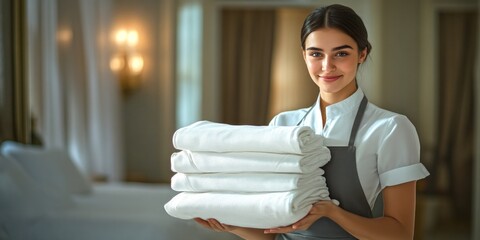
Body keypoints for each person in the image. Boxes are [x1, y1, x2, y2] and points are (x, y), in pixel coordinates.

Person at [194, 4, 429, 239]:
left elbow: (401, 233)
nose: (327, 66)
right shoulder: (284, 124)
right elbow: (271, 233)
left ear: (362, 54)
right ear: (304, 55)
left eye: (341, 53)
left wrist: (332, 212)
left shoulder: (390, 128)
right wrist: (230, 225)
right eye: (316, 54)